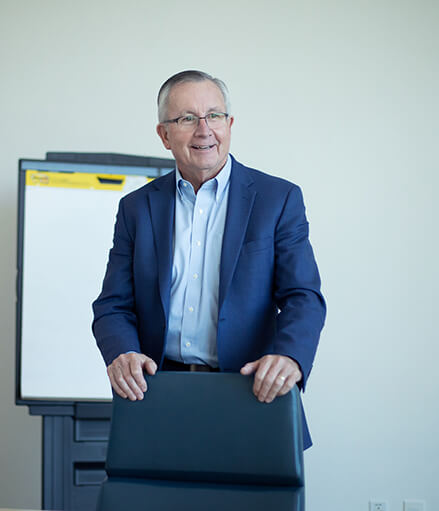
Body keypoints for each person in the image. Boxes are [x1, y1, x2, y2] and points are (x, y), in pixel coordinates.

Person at [92, 70, 326, 448]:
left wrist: (291, 358)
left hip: (252, 395)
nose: (204, 130)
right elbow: (113, 305)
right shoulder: (136, 208)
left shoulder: (277, 200)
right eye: (187, 118)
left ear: (230, 124)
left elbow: (304, 297)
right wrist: (122, 352)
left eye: (214, 116)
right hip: (159, 396)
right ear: (164, 135)